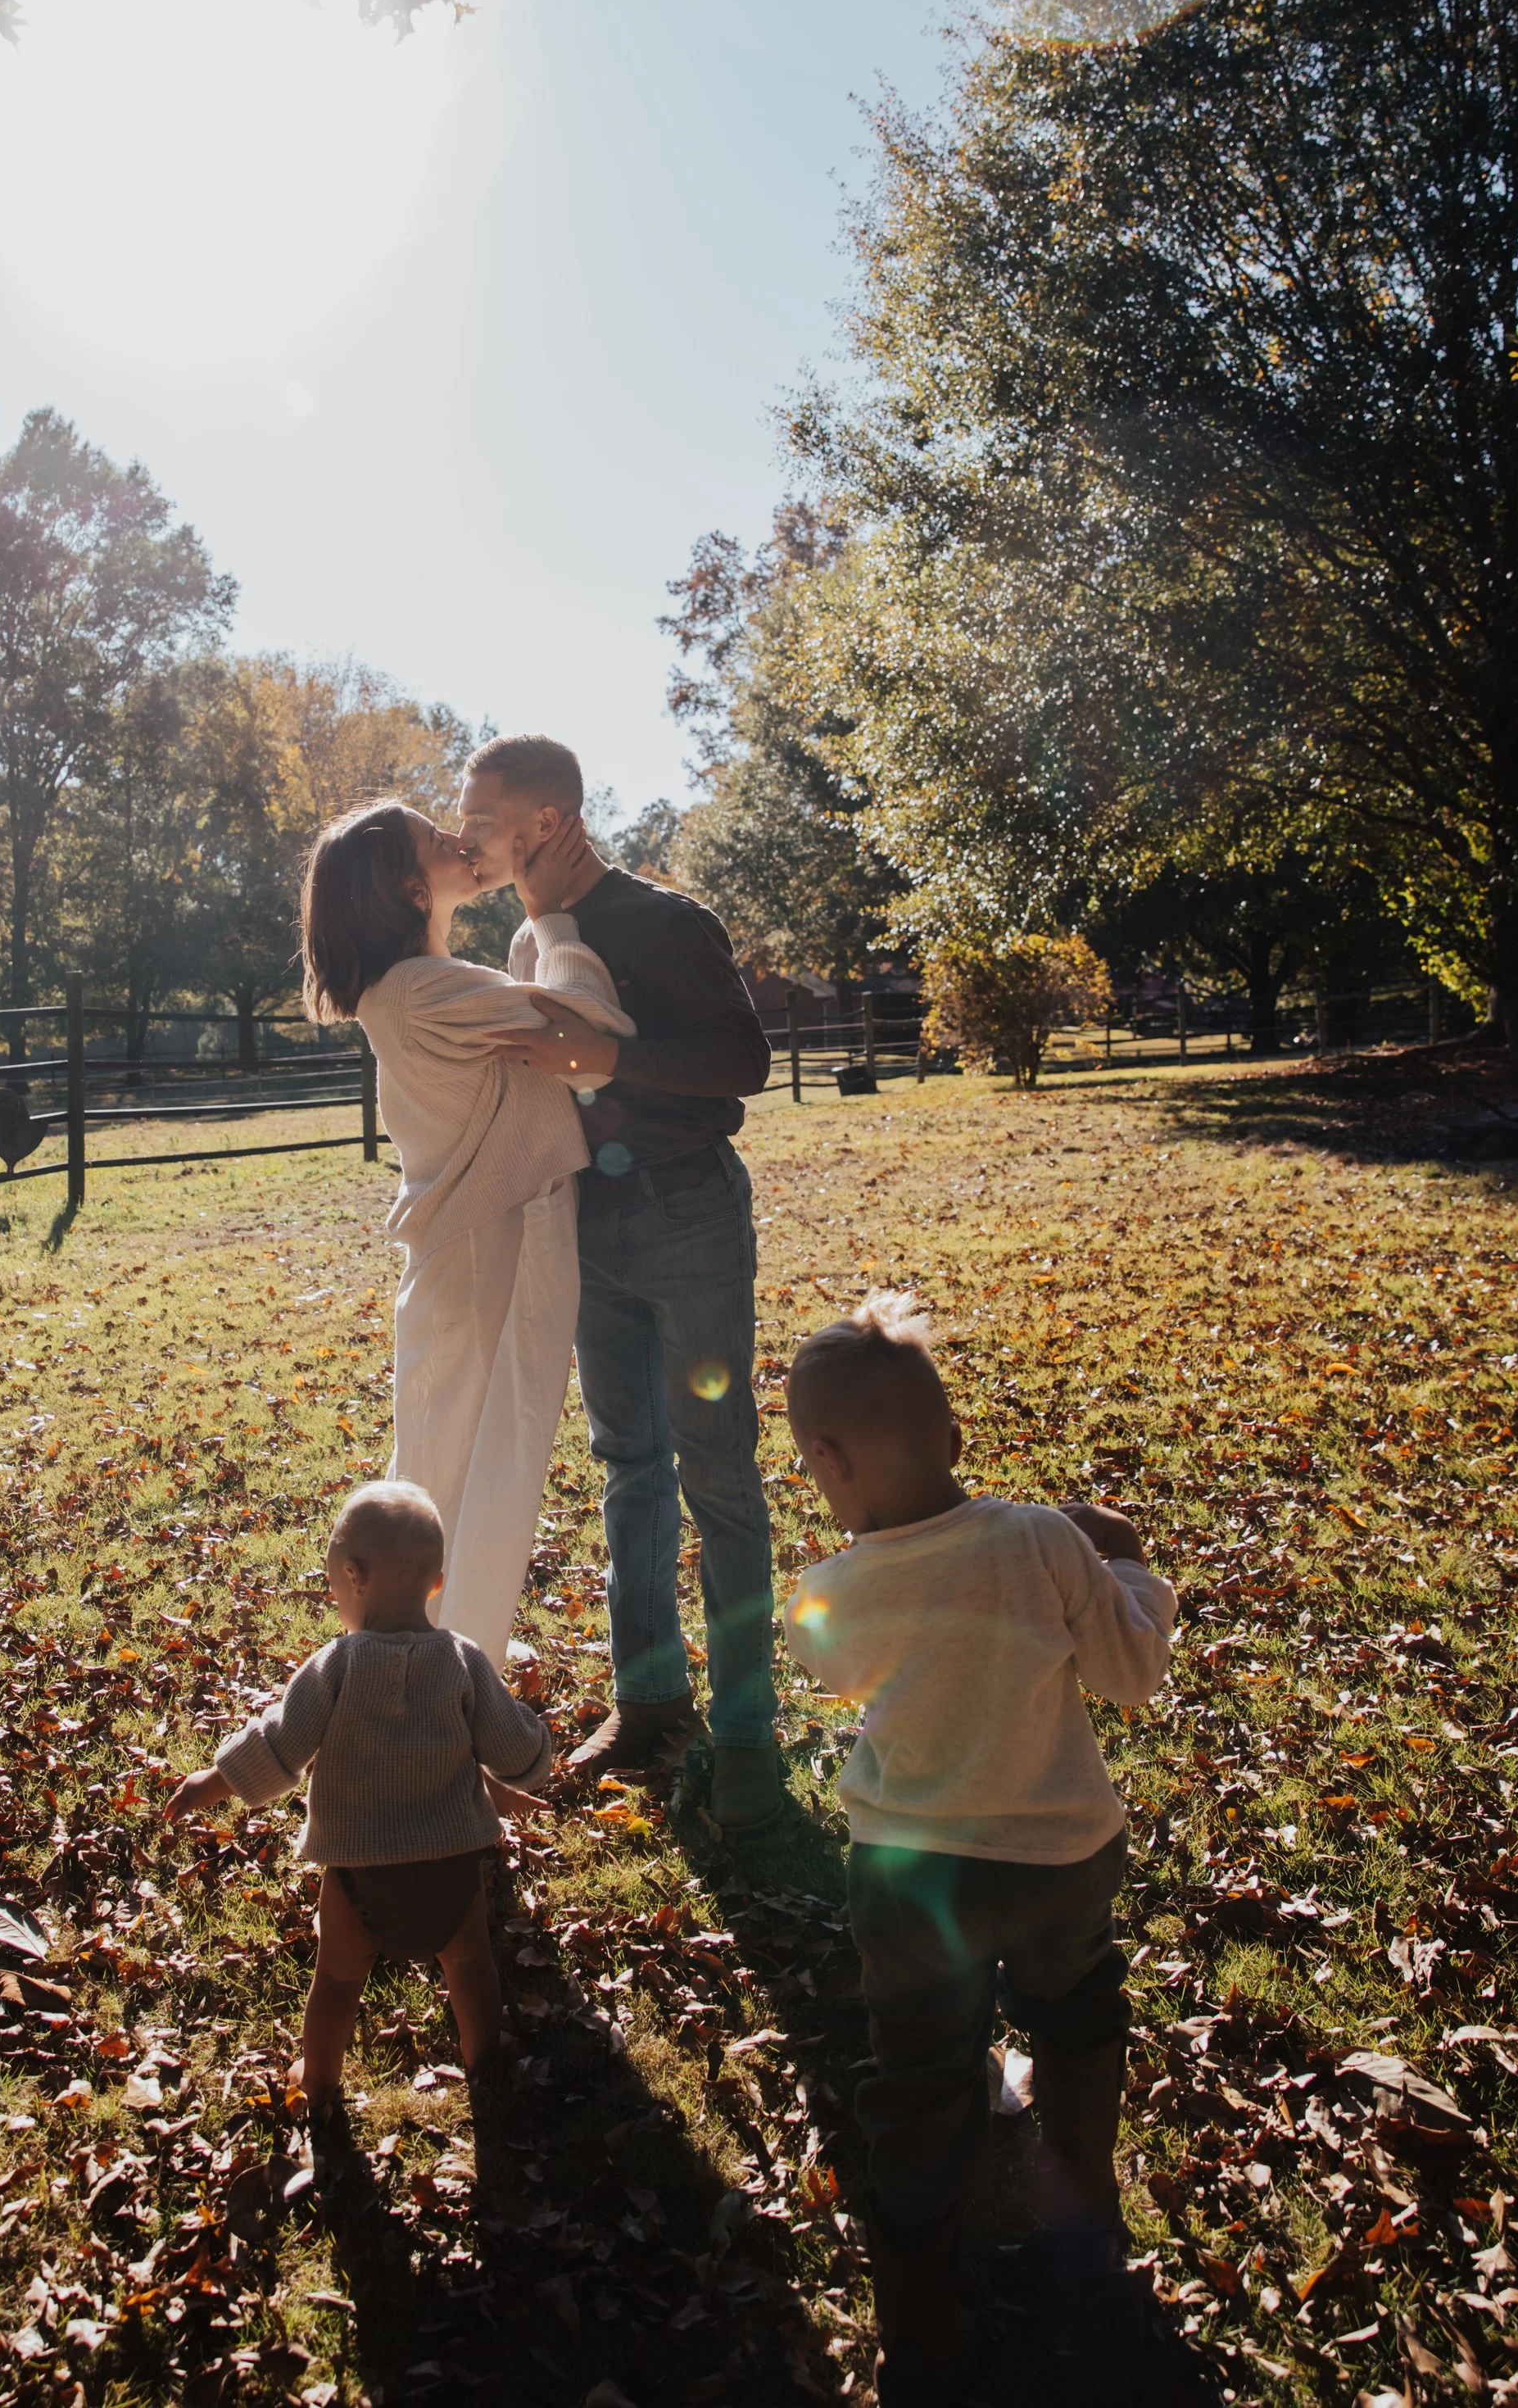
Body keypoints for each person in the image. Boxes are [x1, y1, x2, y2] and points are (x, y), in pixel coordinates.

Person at [782, 1290, 1177, 2405]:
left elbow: (840, 1672)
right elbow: (1129, 1675)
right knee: (1075, 2004)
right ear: (956, 1440)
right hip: (1057, 1856)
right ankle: (1081, 2192)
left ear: (827, 1461)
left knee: (918, 2065)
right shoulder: (1045, 1541)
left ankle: (920, 2305)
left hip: (909, 1871)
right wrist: (1130, 1568)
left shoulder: (827, 1594)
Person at [454, 734, 780, 1829]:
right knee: (628, 1464)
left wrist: (609, 1060)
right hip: (589, 1226)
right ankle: (648, 1702)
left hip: (689, 1213)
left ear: (545, 819)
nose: (467, 828)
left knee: (719, 1471)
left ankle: (742, 1728)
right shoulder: (526, 938)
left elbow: (745, 1062)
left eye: (482, 809)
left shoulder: (670, 921)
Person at [299, 799, 634, 1667]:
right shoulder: (423, 992)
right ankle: (429, 1666)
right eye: (437, 839)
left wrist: (534, 939)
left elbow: (544, 1015)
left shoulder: (425, 986)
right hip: (491, 1244)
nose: (460, 841)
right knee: (475, 1466)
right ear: (415, 886)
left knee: (458, 1455)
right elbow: (597, 1027)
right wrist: (551, 916)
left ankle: (431, 1653)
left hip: (487, 1240)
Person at [164, 1481, 552, 2104]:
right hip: (452, 1867)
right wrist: (538, 1754)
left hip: (357, 1875)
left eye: (335, 1586)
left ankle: (318, 2081)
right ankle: (485, 2061)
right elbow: (511, 1747)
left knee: (339, 1978)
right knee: (471, 1966)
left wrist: (213, 1781)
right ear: (435, 1584)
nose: (336, 1597)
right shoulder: (463, 1659)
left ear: (354, 1576)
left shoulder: (336, 1665)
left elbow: (280, 1743)